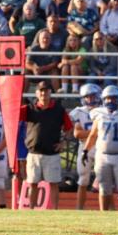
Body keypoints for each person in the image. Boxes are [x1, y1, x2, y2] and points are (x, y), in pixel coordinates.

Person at [83, 86, 118, 211]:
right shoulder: (98, 113)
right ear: (103, 100)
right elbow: (93, 134)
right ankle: (104, 215)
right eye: (107, 99)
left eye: (113, 99)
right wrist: (85, 150)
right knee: (104, 187)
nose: (110, 101)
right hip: (102, 155)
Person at [20, 81, 72, 210]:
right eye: (41, 90)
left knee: (53, 183)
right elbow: (12, 115)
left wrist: (63, 142)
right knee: (32, 183)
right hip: (34, 153)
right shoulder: (29, 108)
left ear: (50, 92)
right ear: (37, 93)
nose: (44, 93)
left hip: (51, 153)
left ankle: (54, 209)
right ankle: (31, 209)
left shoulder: (59, 110)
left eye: (46, 90)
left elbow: (69, 128)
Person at [70, 83, 102, 210]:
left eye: (93, 96)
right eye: (87, 97)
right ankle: (79, 208)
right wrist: (96, 133)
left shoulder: (104, 110)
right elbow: (77, 133)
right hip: (85, 147)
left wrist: (88, 134)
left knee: (105, 180)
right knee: (83, 179)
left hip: (101, 147)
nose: (90, 99)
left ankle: (107, 209)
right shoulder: (78, 112)